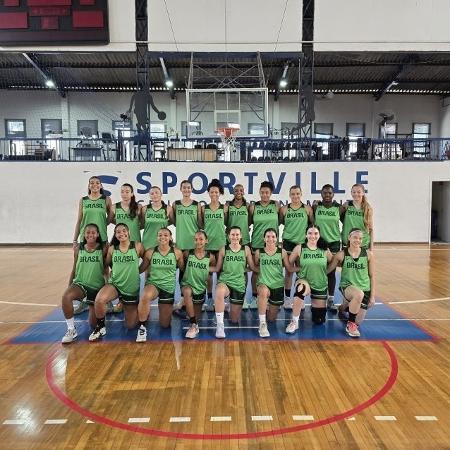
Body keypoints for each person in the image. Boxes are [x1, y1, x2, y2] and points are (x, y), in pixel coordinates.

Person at [89, 223, 144, 341]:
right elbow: (107, 264)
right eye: (118, 232)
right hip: (115, 284)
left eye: (124, 231)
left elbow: (147, 259)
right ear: (115, 234)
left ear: (129, 232)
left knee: (130, 325)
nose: (121, 233)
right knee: (99, 300)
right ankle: (100, 326)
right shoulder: (112, 249)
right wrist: (106, 278)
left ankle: (125, 303)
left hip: (131, 287)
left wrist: (138, 271)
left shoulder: (137, 246)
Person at [72, 176, 112, 314]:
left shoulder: (105, 199)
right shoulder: (83, 200)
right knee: (83, 269)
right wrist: (75, 239)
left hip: (101, 239)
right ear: (89, 186)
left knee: (104, 268)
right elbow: (79, 220)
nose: (94, 185)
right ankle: (84, 300)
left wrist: (102, 226)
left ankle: (108, 299)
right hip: (85, 238)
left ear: (101, 185)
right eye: (92, 183)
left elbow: (110, 217)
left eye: (97, 183)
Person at [136, 228, 184, 342]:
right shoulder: (150, 252)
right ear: (157, 237)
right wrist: (125, 270)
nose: (163, 237)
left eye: (166, 235)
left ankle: (168, 308)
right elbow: (141, 268)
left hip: (168, 288)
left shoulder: (177, 252)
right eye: (160, 235)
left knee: (165, 325)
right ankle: (142, 327)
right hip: (154, 284)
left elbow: (183, 269)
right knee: (145, 296)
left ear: (171, 237)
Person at [61, 224, 107, 343]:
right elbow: (74, 267)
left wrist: (107, 289)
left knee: (92, 324)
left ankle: (98, 311)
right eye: (87, 232)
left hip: (97, 288)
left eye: (93, 232)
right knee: (66, 296)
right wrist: (70, 284)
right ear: (84, 234)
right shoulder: (78, 249)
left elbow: (107, 269)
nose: (90, 235)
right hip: (80, 284)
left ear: (97, 234)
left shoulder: (103, 248)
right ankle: (71, 329)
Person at [328, 228, 376, 337]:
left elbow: (372, 276)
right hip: (348, 286)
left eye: (360, 238)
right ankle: (350, 325)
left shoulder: (368, 255)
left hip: (365, 288)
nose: (357, 240)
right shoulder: (341, 255)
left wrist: (372, 296)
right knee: (358, 295)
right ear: (349, 238)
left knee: (358, 321)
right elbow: (329, 270)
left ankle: (344, 306)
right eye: (355, 237)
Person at [213, 226, 258, 338]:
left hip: (239, 284)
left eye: (237, 234)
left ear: (241, 236)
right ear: (228, 236)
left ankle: (228, 306)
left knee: (234, 320)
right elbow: (218, 268)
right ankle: (220, 325)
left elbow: (252, 267)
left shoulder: (246, 249)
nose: (235, 237)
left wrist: (268, 268)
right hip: (226, 281)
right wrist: (202, 268)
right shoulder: (224, 249)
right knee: (219, 291)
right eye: (232, 234)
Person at [287, 225, 333, 333]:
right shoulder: (300, 248)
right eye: (310, 233)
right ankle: (294, 322)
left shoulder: (324, 249)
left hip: (320, 283)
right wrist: (298, 268)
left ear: (319, 235)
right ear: (306, 235)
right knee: (300, 289)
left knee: (319, 320)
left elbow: (333, 262)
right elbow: (288, 263)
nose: (313, 236)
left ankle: (314, 306)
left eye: (316, 233)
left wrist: (325, 272)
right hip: (304, 280)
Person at [255, 228, 295, 338]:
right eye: (268, 236)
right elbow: (254, 267)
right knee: (263, 292)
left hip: (277, 285)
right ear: (264, 238)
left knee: (272, 319)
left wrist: (304, 267)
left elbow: (289, 269)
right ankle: (262, 324)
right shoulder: (259, 252)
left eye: (273, 236)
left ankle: (265, 306)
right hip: (263, 283)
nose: (270, 239)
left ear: (277, 239)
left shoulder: (282, 252)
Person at [313, 184, 346, 311]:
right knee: (319, 270)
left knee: (331, 272)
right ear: (321, 194)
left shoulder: (339, 208)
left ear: (333, 195)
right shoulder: (316, 206)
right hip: (319, 243)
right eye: (325, 193)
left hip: (333, 243)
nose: (327, 195)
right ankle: (317, 297)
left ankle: (331, 299)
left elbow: (346, 222)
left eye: (330, 193)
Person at [280, 185, 313, 309]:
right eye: (293, 194)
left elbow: (311, 225)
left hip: (301, 244)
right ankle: (287, 298)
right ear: (289, 195)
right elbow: (281, 223)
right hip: (288, 242)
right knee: (289, 272)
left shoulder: (307, 209)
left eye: (297, 194)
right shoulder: (284, 209)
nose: (295, 196)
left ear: (301, 194)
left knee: (301, 272)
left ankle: (300, 297)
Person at [248, 181, 280, 309]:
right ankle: (256, 296)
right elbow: (248, 223)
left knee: (271, 269)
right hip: (257, 242)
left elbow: (281, 221)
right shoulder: (253, 207)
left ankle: (270, 295)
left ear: (271, 193)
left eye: (267, 192)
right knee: (256, 271)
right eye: (262, 192)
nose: (264, 195)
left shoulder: (276, 206)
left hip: (272, 244)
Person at [181, 230, 217, 339]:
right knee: (187, 292)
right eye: (196, 239)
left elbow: (213, 270)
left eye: (201, 239)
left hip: (200, 288)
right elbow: (182, 267)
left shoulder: (211, 257)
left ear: (206, 241)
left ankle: (191, 316)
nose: (198, 241)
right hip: (188, 285)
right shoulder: (188, 253)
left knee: (196, 317)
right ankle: (193, 325)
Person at [172, 180, 201, 314]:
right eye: (184, 188)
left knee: (192, 273)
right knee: (182, 273)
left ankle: (193, 300)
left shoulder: (197, 205)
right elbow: (174, 221)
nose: (186, 190)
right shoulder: (175, 204)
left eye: (189, 188)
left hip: (192, 245)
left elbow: (200, 223)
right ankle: (183, 300)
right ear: (180, 189)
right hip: (180, 244)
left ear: (192, 189)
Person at [200, 178, 228, 311]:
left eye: (216, 192)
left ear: (220, 193)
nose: (214, 194)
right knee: (209, 275)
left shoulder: (224, 208)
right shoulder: (203, 208)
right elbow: (200, 225)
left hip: (221, 245)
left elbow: (227, 224)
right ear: (209, 193)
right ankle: (210, 299)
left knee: (222, 274)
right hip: (208, 245)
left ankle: (221, 299)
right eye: (212, 192)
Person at [341, 183, 374, 250]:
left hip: (362, 243)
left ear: (363, 193)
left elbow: (371, 229)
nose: (356, 194)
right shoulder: (346, 205)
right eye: (354, 192)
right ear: (351, 193)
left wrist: (371, 249)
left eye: (359, 192)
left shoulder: (367, 208)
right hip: (347, 242)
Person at [141, 186, 173, 250]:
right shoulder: (145, 209)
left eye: (156, 193)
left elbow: (173, 222)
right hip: (147, 242)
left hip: (163, 242)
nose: (154, 195)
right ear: (150, 196)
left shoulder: (168, 208)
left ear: (161, 194)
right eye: (152, 194)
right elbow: (142, 224)